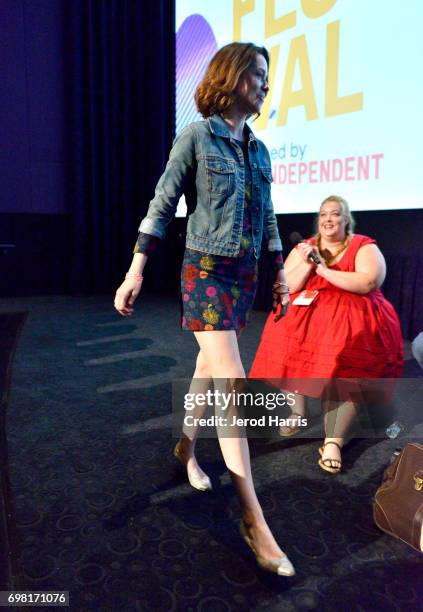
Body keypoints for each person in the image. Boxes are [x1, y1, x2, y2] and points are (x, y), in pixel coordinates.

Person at [114, 42, 295, 576]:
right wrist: (136, 269)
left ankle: (185, 449)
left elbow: (267, 218)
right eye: (258, 74)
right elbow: (162, 204)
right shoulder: (197, 136)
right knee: (232, 377)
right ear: (232, 77)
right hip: (206, 272)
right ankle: (253, 517)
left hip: (244, 277)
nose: (265, 84)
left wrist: (280, 271)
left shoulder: (259, 151)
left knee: (206, 368)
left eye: (267, 76)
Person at [250, 195, 403, 473]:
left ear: (346, 220)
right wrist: (310, 263)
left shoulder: (362, 246)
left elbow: (367, 282)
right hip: (304, 318)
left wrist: (324, 270)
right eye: (323, 215)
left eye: (334, 214)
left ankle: (333, 440)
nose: (328, 220)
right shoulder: (305, 247)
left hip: (350, 320)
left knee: (344, 371)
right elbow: (288, 284)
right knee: (285, 348)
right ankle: (298, 412)